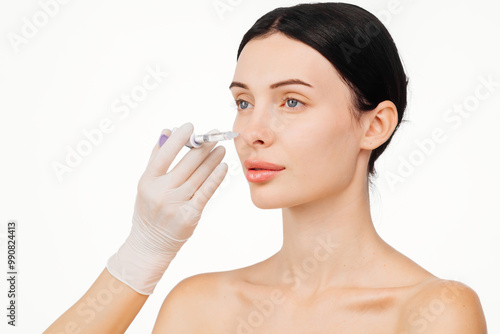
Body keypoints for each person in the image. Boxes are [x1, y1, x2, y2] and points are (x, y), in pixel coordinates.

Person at [44, 2, 487, 333]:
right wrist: (141, 255)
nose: (252, 131)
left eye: (291, 101)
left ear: (374, 125)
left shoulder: (432, 312)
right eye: (243, 102)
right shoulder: (199, 307)